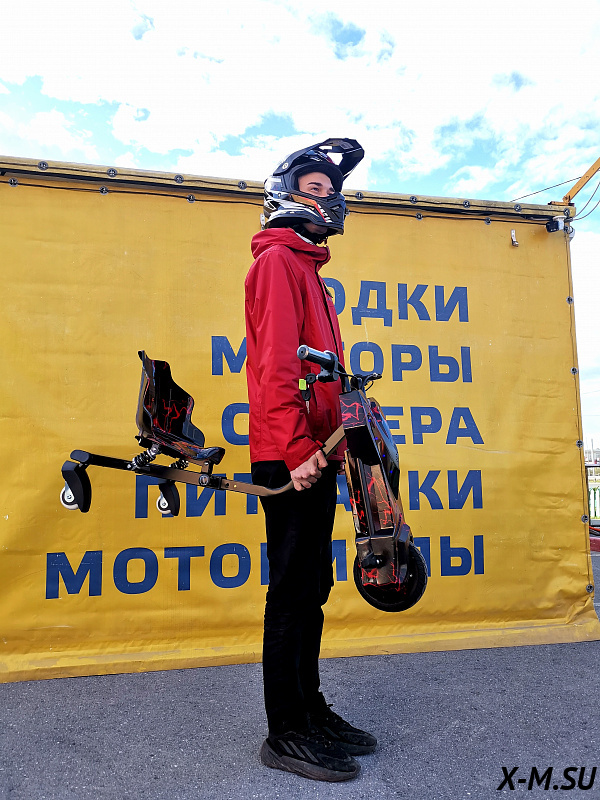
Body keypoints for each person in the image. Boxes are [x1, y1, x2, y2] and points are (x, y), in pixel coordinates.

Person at [244, 138, 377, 783]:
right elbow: (273, 367)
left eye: (331, 190)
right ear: (285, 193)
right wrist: (295, 449)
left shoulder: (308, 269)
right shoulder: (278, 262)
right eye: (313, 188)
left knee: (312, 589)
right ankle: (285, 731)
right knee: (292, 594)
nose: (326, 198)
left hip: (317, 452)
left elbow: (317, 372)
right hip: (291, 455)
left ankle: (310, 708)